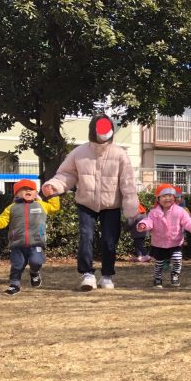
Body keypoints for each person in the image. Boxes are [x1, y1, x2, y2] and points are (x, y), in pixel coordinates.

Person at [42, 114, 139, 291]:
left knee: (110, 241)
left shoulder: (120, 154)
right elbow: (67, 175)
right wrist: (53, 185)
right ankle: (87, 274)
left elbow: (128, 183)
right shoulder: (79, 152)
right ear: (93, 130)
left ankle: (107, 275)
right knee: (86, 237)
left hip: (112, 205)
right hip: (86, 203)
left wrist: (131, 209)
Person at [0, 180, 60, 295]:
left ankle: (34, 272)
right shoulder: (11, 208)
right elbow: (2, 220)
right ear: (17, 193)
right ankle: (14, 284)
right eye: (23, 189)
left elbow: (54, 207)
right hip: (17, 243)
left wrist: (52, 195)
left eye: (31, 189)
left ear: (36, 193)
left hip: (36, 242)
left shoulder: (41, 205)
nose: (28, 190)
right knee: (17, 265)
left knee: (36, 261)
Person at [137, 184, 191, 288]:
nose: (167, 198)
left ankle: (175, 275)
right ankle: (157, 278)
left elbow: (187, 221)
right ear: (158, 199)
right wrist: (143, 224)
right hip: (159, 242)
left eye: (170, 196)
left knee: (177, 259)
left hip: (175, 241)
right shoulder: (154, 212)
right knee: (159, 263)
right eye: (164, 196)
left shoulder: (180, 211)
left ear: (174, 198)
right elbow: (149, 221)